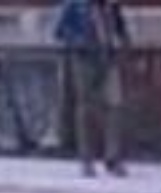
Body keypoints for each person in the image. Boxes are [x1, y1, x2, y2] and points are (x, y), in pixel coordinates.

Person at [54, 0, 131, 178]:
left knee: (115, 105)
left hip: (108, 58)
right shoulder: (75, 4)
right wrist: (78, 41)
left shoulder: (112, 5)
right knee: (86, 109)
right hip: (84, 60)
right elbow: (60, 31)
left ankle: (113, 156)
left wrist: (124, 42)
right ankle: (86, 160)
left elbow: (120, 26)